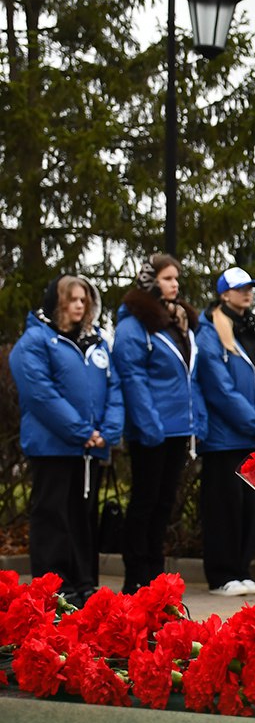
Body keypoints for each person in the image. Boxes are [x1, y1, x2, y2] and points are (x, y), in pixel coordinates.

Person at [10, 275, 123, 606]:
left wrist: (108, 430)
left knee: (83, 516)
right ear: (56, 303)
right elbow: (41, 395)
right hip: (53, 447)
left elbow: (114, 388)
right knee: (53, 516)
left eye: (84, 300)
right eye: (72, 299)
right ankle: (53, 587)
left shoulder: (97, 342)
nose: (79, 305)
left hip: (89, 450)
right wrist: (81, 431)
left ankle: (84, 581)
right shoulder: (35, 341)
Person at [112, 254, 206, 594]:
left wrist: (195, 421)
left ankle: (154, 573)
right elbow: (132, 377)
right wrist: (149, 425)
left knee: (164, 502)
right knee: (144, 501)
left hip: (178, 428)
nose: (175, 284)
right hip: (151, 431)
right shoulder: (133, 326)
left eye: (176, 278)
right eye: (168, 278)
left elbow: (188, 378)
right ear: (151, 282)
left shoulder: (178, 323)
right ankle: (134, 576)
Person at [196, 267, 255, 597]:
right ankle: (222, 575)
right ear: (224, 294)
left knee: (250, 506)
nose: (248, 293)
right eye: (241, 288)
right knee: (224, 508)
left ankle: (242, 570)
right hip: (225, 438)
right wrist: (253, 424)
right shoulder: (208, 331)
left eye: (251, 287)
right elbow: (219, 387)